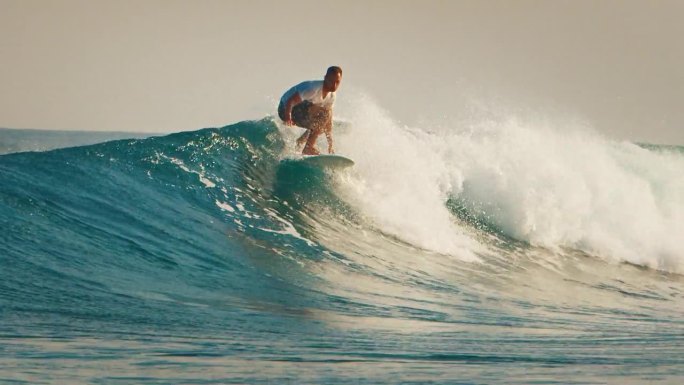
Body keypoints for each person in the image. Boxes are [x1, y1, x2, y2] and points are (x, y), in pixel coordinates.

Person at [278, 66, 342, 155]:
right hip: (285, 108)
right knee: (324, 114)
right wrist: (288, 117)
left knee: (322, 123)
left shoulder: (332, 96)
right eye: (331, 81)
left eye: (337, 82)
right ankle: (308, 148)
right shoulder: (313, 89)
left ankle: (300, 142)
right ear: (325, 78)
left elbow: (328, 122)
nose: (334, 85)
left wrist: (330, 144)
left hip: (300, 113)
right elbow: (290, 101)